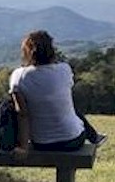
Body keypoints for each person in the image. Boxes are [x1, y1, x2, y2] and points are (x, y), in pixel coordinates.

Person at [8, 30, 106, 158]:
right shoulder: (64, 69)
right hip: (73, 140)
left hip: (41, 143)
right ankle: (94, 136)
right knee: (69, 108)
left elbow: (22, 114)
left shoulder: (19, 76)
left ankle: (95, 136)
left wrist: (23, 147)